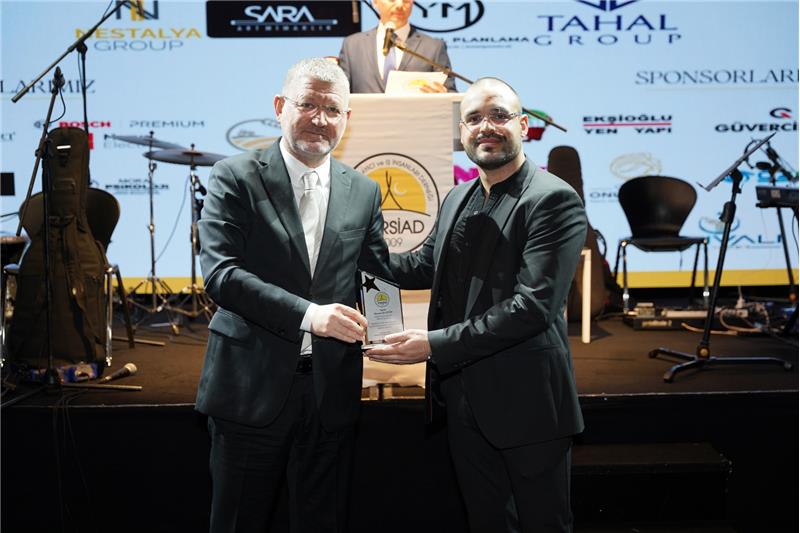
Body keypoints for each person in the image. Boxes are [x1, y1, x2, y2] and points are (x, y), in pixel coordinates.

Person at [366, 77, 588, 532]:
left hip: (528, 405)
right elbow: (422, 267)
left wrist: (433, 344)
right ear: (462, 132)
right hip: (463, 400)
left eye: (498, 115)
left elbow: (533, 307)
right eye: (474, 119)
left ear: (522, 126)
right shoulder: (458, 196)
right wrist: (354, 251)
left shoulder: (552, 199)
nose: (486, 126)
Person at [196, 57, 391, 533]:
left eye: (332, 109)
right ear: (280, 106)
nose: (320, 119)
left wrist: (390, 333)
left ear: (347, 118)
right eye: (307, 105)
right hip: (250, 389)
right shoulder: (234, 176)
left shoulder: (363, 191)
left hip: (331, 394)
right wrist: (310, 315)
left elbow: (376, 276)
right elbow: (221, 275)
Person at [338, 0, 456, 94]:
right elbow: (339, 95)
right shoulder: (352, 45)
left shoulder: (434, 46)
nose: (400, 5)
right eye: (392, 0)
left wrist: (443, 94)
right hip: (365, 117)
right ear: (375, 2)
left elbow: (451, 94)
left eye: (406, 0)